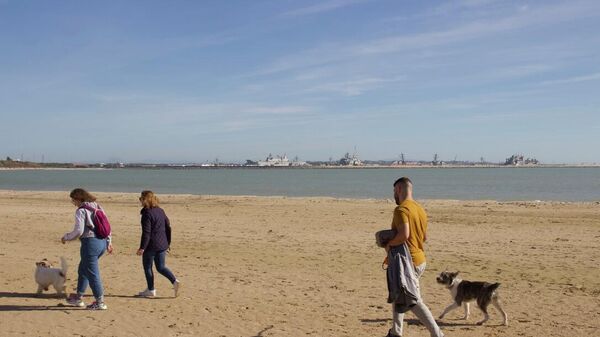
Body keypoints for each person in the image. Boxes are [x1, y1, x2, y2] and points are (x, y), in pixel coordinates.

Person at [385, 177, 443, 337]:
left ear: (398, 189)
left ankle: (437, 334)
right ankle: (396, 332)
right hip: (419, 259)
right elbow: (424, 237)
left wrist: (390, 243)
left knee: (413, 300)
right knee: (398, 295)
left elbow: (404, 234)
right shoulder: (419, 209)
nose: (394, 195)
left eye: (394, 191)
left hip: (407, 262)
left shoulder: (401, 209)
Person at [62, 188, 113, 310]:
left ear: (79, 198)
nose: (73, 203)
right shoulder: (97, 206)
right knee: (83, 269)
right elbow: (107, 225)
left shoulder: (81, 210)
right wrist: (109, 242)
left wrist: (66, 237)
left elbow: (78, 231)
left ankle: (100, 302)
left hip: (90, 244)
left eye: (73, 200)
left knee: (92, 273)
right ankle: (78, 297)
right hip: (101, 243)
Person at [136, 190, 180, 298]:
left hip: (151, 245)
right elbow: (168, 227)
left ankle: (151, 289)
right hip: (162, 244)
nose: (140, 200)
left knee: (147, 267)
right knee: (161, 267)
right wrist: (168, 243)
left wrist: (142, 247)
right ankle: (174, 281)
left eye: (141, 198)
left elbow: (147, 233)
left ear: (145, 200)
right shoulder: (160, 210)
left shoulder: (146, 213)